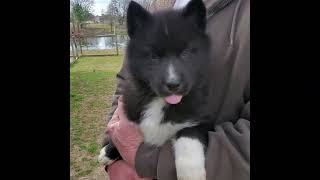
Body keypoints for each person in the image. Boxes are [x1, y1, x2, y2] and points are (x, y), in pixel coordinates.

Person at [103, 0, 250, 179]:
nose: (172, 78)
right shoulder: (159, 5)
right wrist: (115, 146)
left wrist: (147, 158)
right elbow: (126, 79)